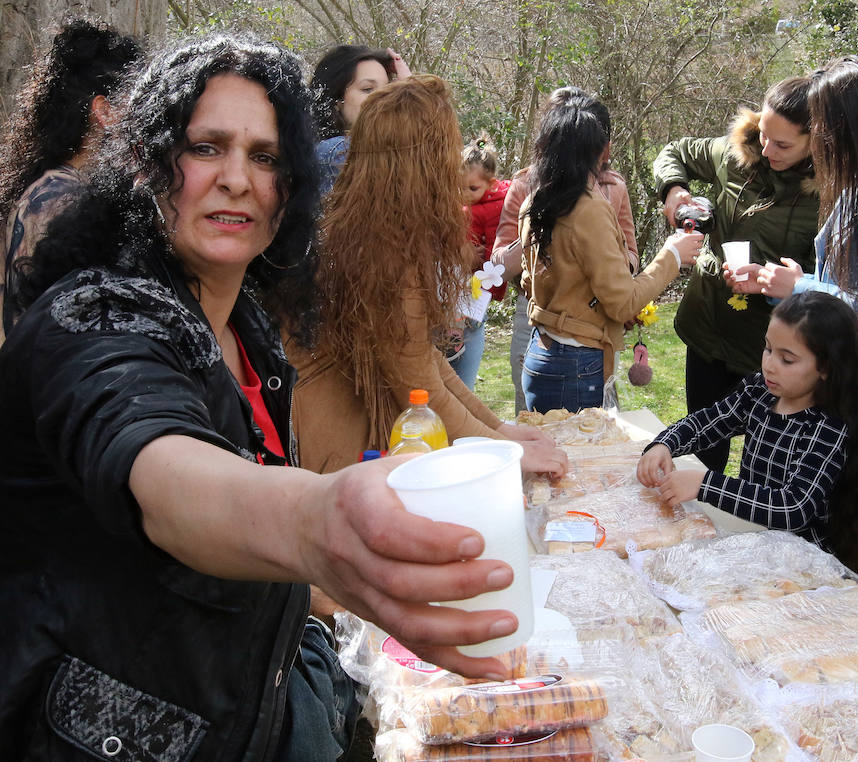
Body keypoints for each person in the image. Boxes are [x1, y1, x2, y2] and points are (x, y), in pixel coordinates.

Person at [0, 36, 525, 760]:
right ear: (147, 165)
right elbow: (158, 466)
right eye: (206, 147)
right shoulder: (94, 312)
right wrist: (316, 521)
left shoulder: (252, 328)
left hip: (257, 702)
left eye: (266, 157)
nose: (238, 179)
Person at [285, 75, 565, 476]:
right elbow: (417, 382)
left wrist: (500, 430)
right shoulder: (383, 247)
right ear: (424, 164)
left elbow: (423, 358)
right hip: (341, 452)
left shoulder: (367, 225)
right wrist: (507, 452)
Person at [728, 56, 858, 591]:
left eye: (824, 126)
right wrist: (810, 281)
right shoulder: (857, 186)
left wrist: (803, 290)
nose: (819, 139)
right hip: (837, 363)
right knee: (831, 496)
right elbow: (850, 283)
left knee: (848, 501)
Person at [637, 291, 858, 583]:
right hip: (757, 545)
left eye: (787, 359)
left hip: (807, 570)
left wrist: (706, 484)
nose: (769, 364)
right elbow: (709, 421)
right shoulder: (758, 392)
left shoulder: (829, 426)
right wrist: (664, 443)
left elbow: (792, 508)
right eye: (768, 349)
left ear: (826, 368)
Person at [653, 75, 820, 471]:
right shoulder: (735, 154)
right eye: (763, 135)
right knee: (703, 447)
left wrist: (777, 280)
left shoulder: (827, 194)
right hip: (708, 325)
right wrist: (674, 192)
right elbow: (674, 152)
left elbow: (832, 275)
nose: (767, 150)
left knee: (764, 464)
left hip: (769, 344)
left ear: (815, 141)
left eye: (782, 144)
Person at [520, 92, 703, 414]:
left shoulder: (536, 199)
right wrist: (672, 255)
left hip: (543, 352)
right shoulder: (588, 208)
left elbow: (533, 281)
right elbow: (621, 303)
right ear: (603, 149)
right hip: (576, 365)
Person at [492, 87, 640, 414]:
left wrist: (616, 277)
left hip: (598, 323)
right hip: (538, 316)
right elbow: (498, 265)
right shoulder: (526, 187)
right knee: (533, 418)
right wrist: (543, 227)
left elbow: (630, 250)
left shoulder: (614, 187)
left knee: (599, 419)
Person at [0, 17, 141, 342]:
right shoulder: (61, 198)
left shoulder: (50, 188)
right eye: (135, 105)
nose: (142, 122)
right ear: (104, 112)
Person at [448, 133, 510, 389]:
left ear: (492, 185)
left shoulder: (496, 207)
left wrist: (478, 258)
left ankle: (458, 335)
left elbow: (496, 251)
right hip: (456, 278)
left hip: (476, 284)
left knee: (467, 321)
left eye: (472, 188)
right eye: (459, 187)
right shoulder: (462, 205)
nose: (465, 194)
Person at [310, 44, 410, 194]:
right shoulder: (332, 153)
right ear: (336, 101)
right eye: (368, 89)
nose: (384, 97)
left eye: (388, 89)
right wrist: (413, 92)